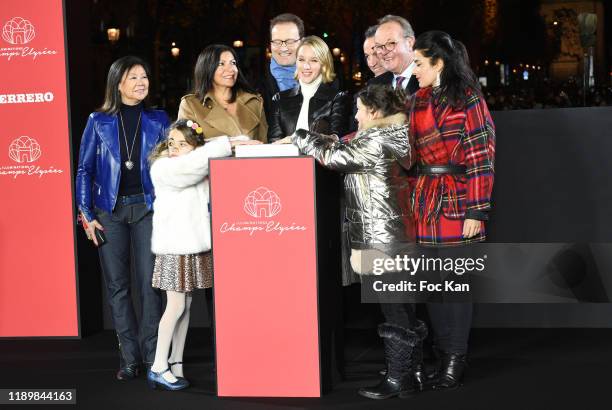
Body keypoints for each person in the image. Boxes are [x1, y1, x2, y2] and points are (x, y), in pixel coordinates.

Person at [291, 84, 427, 400]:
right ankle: (411, 374)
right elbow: (344, 146)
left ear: (375, 113)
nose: (355, 115)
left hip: (379, 238)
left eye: (360, 109)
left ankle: (399, 379)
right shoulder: (393, 135)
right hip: (393, 235)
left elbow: (336, 156)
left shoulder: (376, 140)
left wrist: (301, 136)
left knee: (393, 310)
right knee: (402, 307)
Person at [409, 30, 496, 390]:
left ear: (438, 62)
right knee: (430, 283)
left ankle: (455, 358)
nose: (413, 70)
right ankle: (441, 352)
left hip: (459, 199)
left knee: (455, 284)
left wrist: (477, 211)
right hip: (425, 199)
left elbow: (481, 158)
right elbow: (403, 148)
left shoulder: (470, 100)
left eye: (418, 63)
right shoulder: (414, 101)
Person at [75, 56, 169, 380]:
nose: (142, 82)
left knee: (150, 286)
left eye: (145, 77)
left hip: (147, 209)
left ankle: (154, 357)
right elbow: (84, 170)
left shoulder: (158, 119)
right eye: (134, 78)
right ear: (118, 84)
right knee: (118, 288)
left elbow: (171, 166)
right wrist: (86, 215)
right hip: (108, 213)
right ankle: (130, 359)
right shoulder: (97, 121)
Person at [146, 120, 256, 390]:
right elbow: (192, 164)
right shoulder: (164, 167)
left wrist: (238, 143)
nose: (173, 148)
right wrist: (227, 143)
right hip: (174, 246)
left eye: (181, 144)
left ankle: (176, 362)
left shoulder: (198, 161)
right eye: (171, 142)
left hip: (194, 244)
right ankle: (158, 366)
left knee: (188, 306)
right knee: (176, 306)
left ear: (194, 146)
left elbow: (202, 160)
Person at [178, 44, 267, 142]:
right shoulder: (191, 105)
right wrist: (229, 145)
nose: (231, 70)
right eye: (221, 64)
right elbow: (186, 146)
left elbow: (264, 146)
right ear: (207, 68)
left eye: (233, 63)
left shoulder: (254, 102)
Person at [268, 35, 349, 142]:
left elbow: (336, 142)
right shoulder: (279, 99)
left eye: (314, 60)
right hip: (286, 158)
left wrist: (296, 140)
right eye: (301, 59)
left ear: (324, 64)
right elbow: (274, 143)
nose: (306, 66)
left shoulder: (337, 98)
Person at [259, 13, 305, 123]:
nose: (283, 48)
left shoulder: (326, 82)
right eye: (277, 41)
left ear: (302, 42)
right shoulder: (256, 87)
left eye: (290, 41)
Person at [371, 15, 419, 94]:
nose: (384, 52)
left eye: (390, 43)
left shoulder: (431, 81)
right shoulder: (374, 86)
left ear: (409, 43)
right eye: (379, 46)